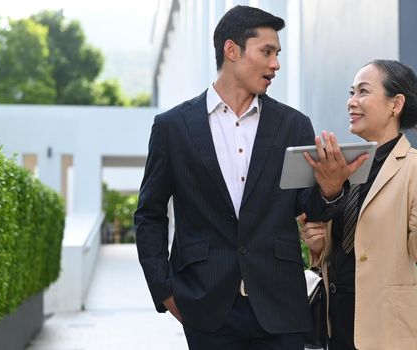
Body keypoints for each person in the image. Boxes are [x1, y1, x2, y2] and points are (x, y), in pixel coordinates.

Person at [134, 6, 365, 350]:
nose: (276, 64)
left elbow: (307, 206)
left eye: (278, 54)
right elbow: (148, 214)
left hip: (280, 306)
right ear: (232, 50)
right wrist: (165, 290)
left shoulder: (294, 125)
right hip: (206, 305)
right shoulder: (172, 127)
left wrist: (331, 189)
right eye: (267, 52)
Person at [299, 60, 417, 350]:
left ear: (396, 104)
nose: (352, 102)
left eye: (363, 92)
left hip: (391, 332)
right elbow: (344, 248)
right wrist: (317, 247)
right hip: (336, 322)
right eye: (351, 93)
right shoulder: (342, 167)